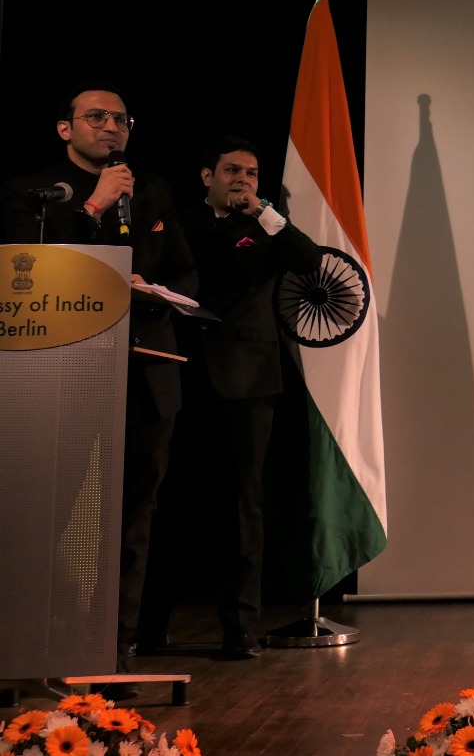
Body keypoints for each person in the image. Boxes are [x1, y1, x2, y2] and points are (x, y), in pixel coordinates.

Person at [0, 81, 198, 697]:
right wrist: (92, 208)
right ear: (65, 129)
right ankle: (36, 643)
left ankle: (113, 652)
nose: (112, 127)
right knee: (50, 514)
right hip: (64, 379)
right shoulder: (33, 193)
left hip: (146, 375)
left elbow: (186, 274)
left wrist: (152, 289)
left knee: (132, 520)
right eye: (96, 117)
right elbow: (30, 270)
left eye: (121, 119)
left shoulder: (153, 192)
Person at [141, 136, 320, 659]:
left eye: (251, 173)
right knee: (167, 498)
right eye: (231, 171)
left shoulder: (266, 226)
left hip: (248, 378)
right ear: (208, 176)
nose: (242, 180)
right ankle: (148, 627)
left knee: (244, 503)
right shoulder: (181, 223)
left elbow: (308, 261)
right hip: (180, 371)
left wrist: (262, 211)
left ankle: (238, 628)